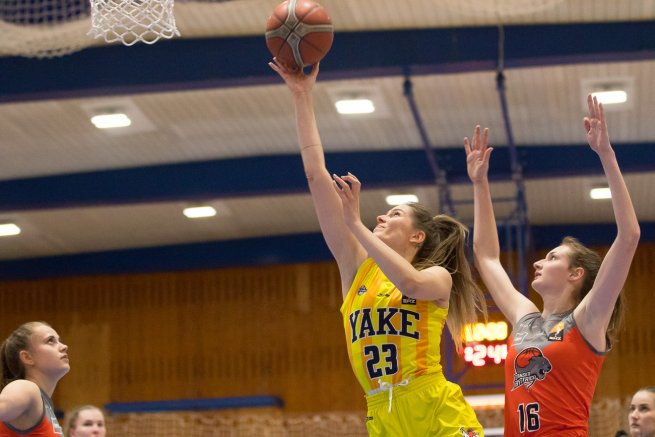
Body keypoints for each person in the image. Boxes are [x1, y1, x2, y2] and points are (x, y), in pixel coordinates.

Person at [269, 58, 487, 437]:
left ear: (417, 236)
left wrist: (355, 223)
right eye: (381, 215)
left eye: (394, 214)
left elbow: (410, 286)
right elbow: (316, 176)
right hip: (381, 414)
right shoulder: (356, 267)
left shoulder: (437, 277)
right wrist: (302, 96)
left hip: (433, 407)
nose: (381, 218)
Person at [465, 94, 640, 436]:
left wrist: (606, 154)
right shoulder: (524, 318)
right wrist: (480, 184)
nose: (537, 262)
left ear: (577, 275)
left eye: (552, 257)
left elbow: (629, 235)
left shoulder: (588, 319)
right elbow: (485, 257)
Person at [0, 321, 69, 436]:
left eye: (59, 341)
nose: (64, 346)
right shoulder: (26, 388)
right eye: (50, 341)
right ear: (27, 357)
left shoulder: (42, 403)